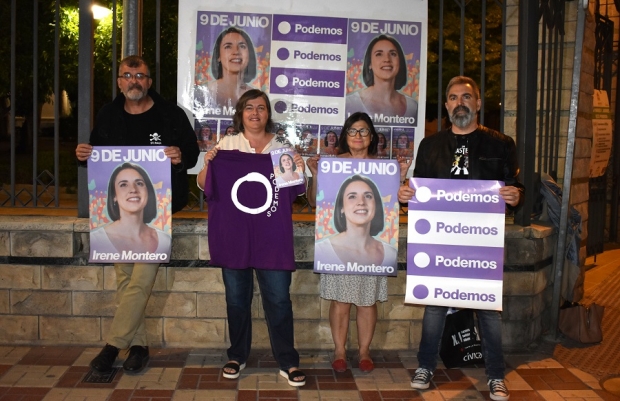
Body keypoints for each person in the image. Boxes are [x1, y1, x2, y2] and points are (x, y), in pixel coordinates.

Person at [398, 76, 523, 401]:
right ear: (447, 105)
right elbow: (416, 190)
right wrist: (404, 194)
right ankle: (426, 365)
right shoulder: (430, 145)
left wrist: (514, 195)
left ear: (478, 103)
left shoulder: (501, 144)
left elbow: (515, 187)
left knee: (488, 310)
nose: (459, 103)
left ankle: (496, 375)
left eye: (466, 97)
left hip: (483, 242)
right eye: (453, 97)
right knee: (436, 307)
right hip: (440, 240)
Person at [75, 55, 199, 374]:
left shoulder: (170, 114)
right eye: (128, 75)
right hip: (117, 219)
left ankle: (113, 345)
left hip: (159, 214)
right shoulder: (108, 114)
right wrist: (83, 154)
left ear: (149, 81)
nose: (134, 80)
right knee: (126, 280)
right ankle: (139, 347)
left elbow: (192, 151)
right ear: (119, 81)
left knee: (140, 279)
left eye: (140, 75)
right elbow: (96, 155)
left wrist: (179, 155)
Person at [196, 89, 307, 387]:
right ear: (240, 113)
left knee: (279, 300)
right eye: (249, 107)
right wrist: (209, 163)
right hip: (234, 237)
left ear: (268, 114)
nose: (255, 112)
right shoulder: (228, 144)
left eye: (261, 107)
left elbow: (298, 189)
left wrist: (298, 164)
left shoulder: (282, 146)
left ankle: (288, 361)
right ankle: (237, 356)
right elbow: (205, 185)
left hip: (272, 237)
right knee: (236, 300)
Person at [307, 112, 410, 374]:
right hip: (338, 250)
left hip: (371, 250)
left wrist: (401, 178)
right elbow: (313, 202)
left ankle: (364, 351)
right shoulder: (332, 165)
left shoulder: (384, 168)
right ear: (345, 136)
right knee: (340, 302)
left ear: (372, 137)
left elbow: (396, 204)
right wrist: (316, 175)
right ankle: (339, 350)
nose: (358, 136)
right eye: (352, 131)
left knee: (367, 301)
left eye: (364, 131)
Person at [314, 174, 396, 267]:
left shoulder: (391, 254)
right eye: (352, 196)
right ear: (341, 207)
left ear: (376, 205)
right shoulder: (322, 251)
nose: (361, 202)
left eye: (368, 196)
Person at [90, 163, 170, 255]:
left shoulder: (164, 241)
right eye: (123, 185)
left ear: (148, 191)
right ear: (114, 196)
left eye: (139, 183)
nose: (133, 190)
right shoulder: (97, 240)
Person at [346, 34, 417, 122]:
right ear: (369, 64)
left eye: (393, 54)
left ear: (400, 61)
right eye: (379, 54)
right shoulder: (350, 104)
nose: (387, 59)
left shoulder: (413, 107)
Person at [205, 27, 257, 109]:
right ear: (218, 56)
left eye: (242, 46)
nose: (236, 51)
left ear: (249, 55)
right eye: (228, 47)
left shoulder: (256, 98)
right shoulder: (205, 93)